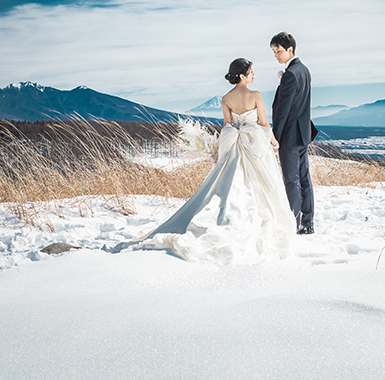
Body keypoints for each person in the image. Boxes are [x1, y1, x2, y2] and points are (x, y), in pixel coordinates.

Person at [108, 58, 296, 264]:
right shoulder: (256, 95)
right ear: (242, 75)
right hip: (254, 146)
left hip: (234, 146)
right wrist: (273, 140)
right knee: (260, 185)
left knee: (229, 185)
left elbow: (227, 126)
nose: (254, 74)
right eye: (251, 71)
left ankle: (226, 217)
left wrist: (222, 147)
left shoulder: (226, 98)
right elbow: (263, 122)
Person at [270, 32, 316, 234]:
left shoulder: (291, 74)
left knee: (291, 180)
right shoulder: (304, 70)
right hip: (303, 134)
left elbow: (283, 111)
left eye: (278, 51)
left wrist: (275, 138)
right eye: (273, 52)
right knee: (304, 178)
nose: (276, 56)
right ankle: (308, 222)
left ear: (290, 50)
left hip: (289, 135)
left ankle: (294, 224)